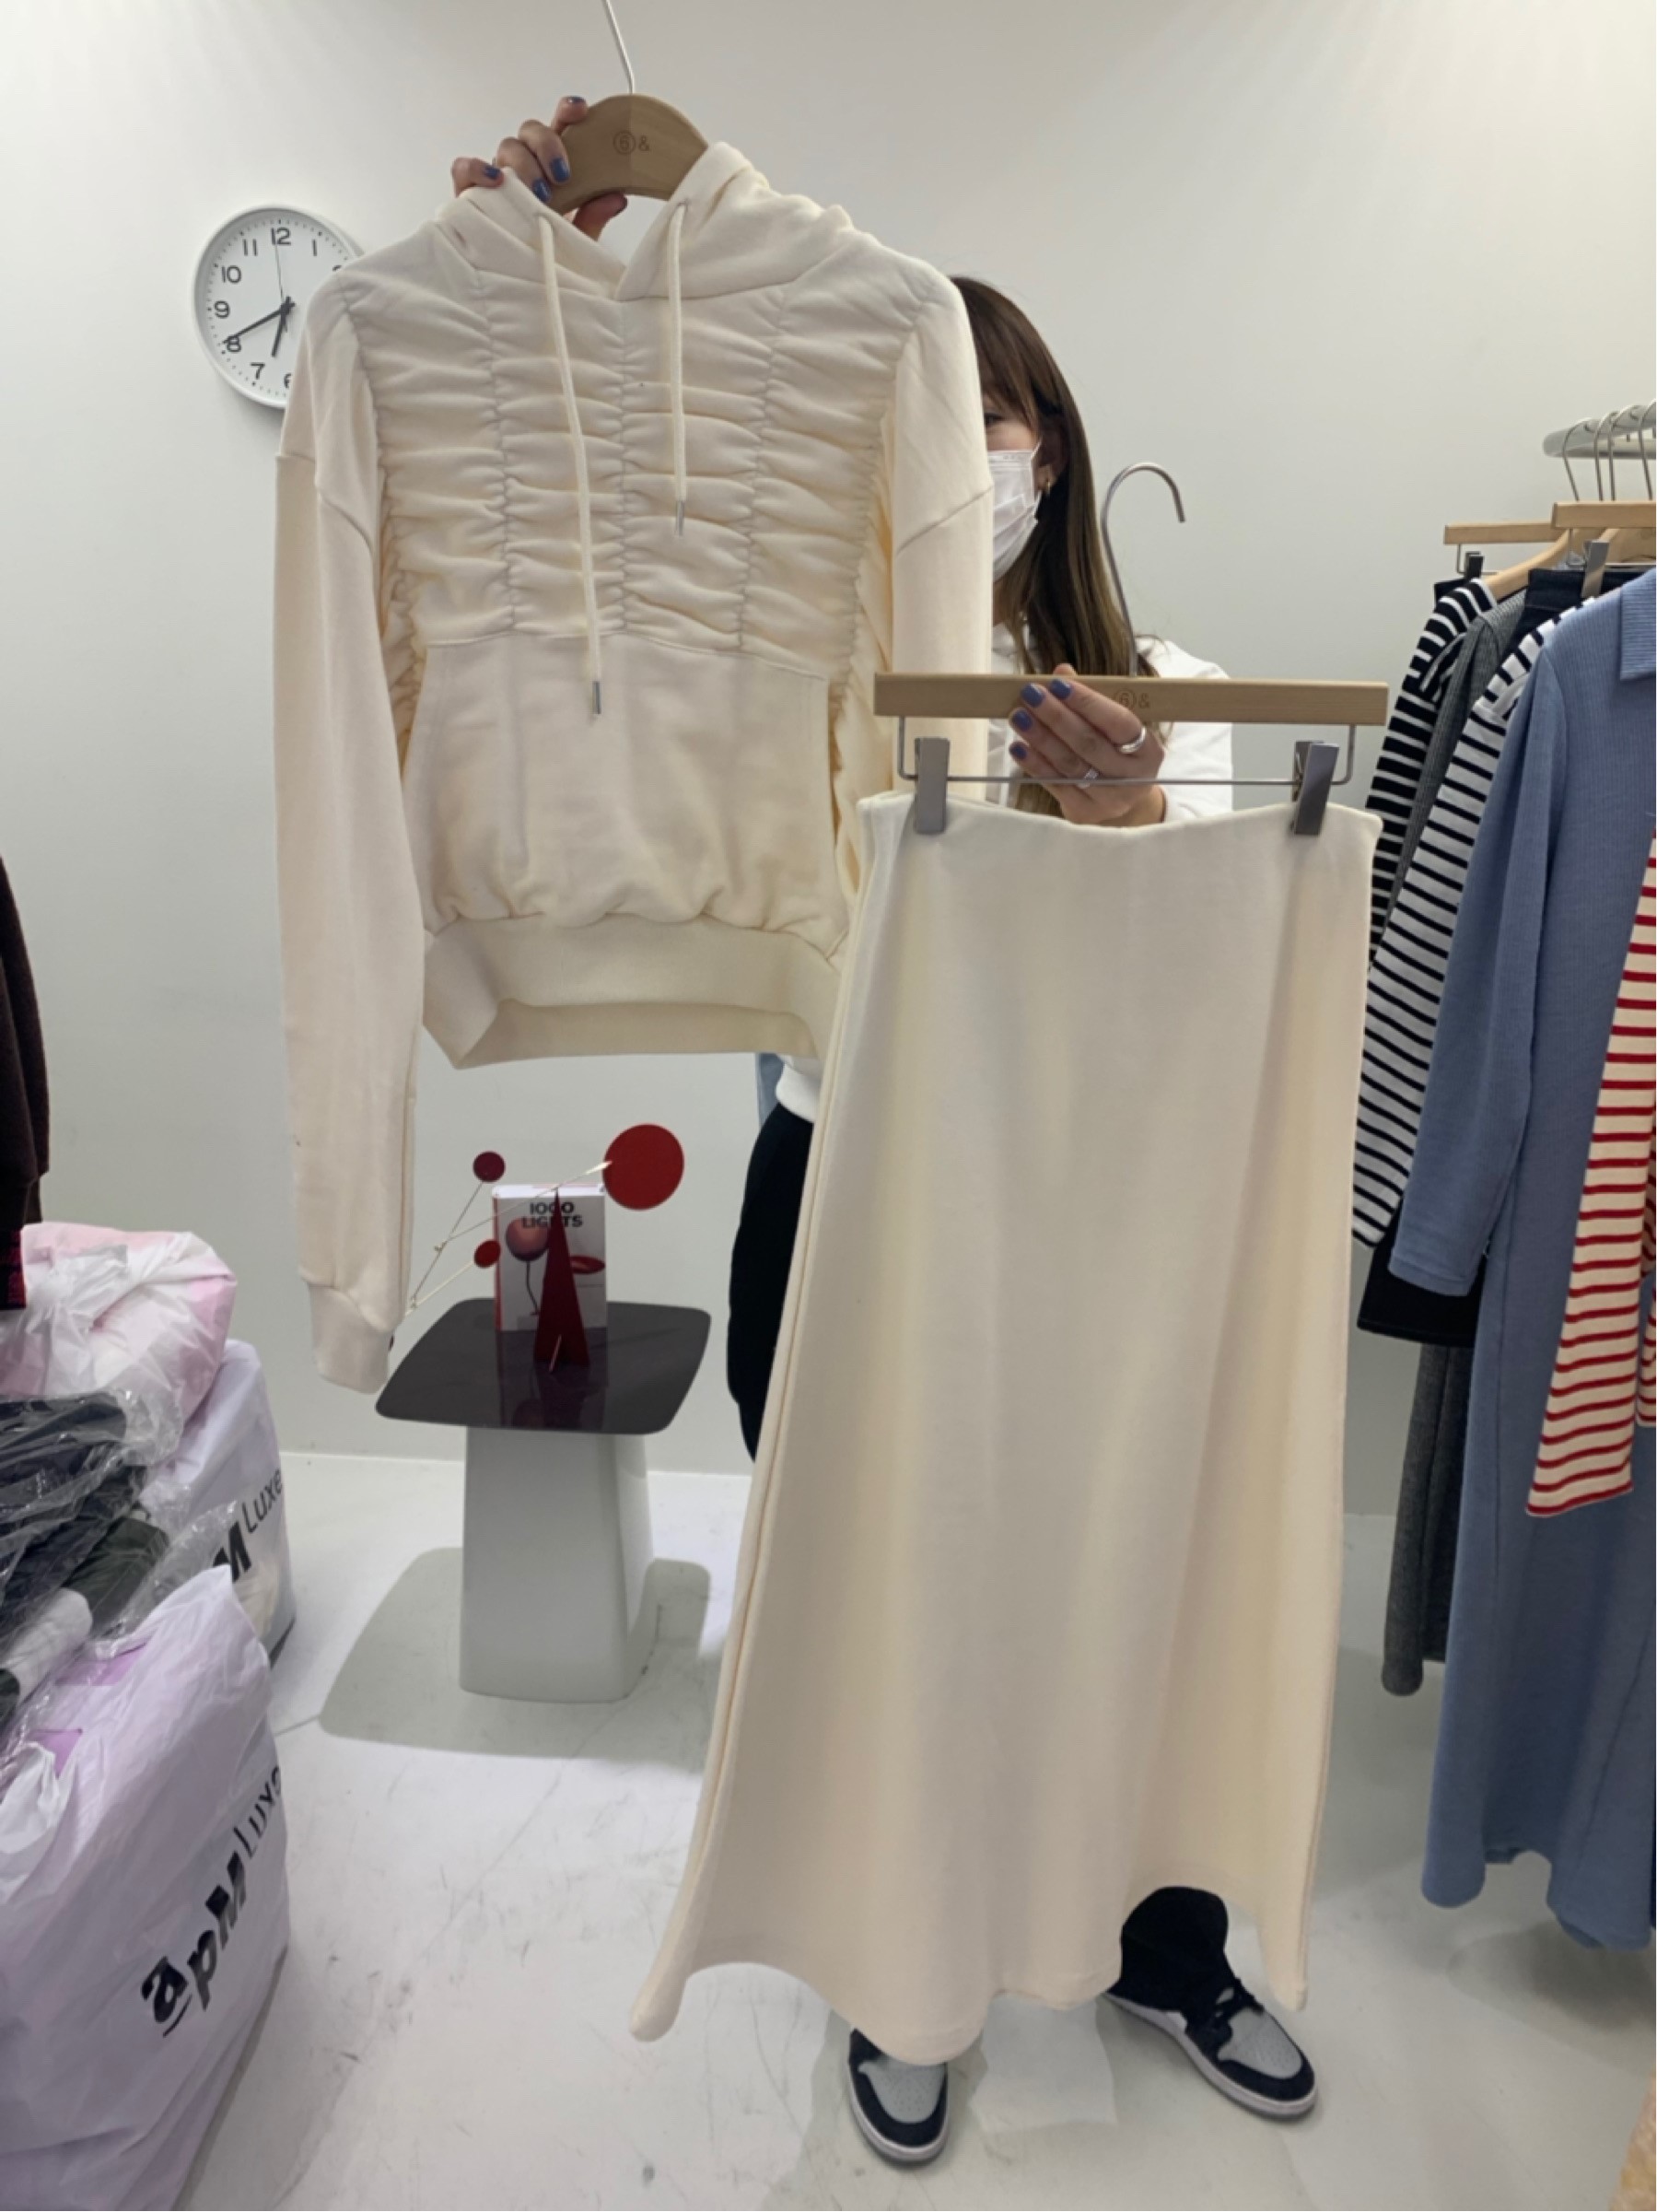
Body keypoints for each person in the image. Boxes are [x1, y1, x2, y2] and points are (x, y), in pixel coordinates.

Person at [453, 109, 1317, 2168]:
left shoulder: (1174, 691)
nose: (965, 459)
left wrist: (1127, 815)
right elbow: (607, 566)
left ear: (1053, 449)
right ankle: (902, 1954)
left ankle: (1162, 1932)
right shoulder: (814, 692)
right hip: (844, 1183)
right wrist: (526, 265)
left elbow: (1226, 971)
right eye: (928, 420)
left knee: (1126, 1566)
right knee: (895, 1584)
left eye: (994, 419)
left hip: (1100, 1221)